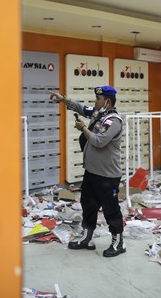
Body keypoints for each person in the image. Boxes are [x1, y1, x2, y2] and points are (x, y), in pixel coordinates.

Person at [50, 86, 125, 257]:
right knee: (88, 206)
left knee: (111, 209)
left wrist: (83, 128)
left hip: (107, 175)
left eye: (98, 99)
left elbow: (99, 141)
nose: (95, 102)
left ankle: (118, 242)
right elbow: (81, 108)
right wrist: (63, 99)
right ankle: (87, 238)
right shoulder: (99, 114)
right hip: (92, 172)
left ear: (107, 101)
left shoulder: (113, 121)